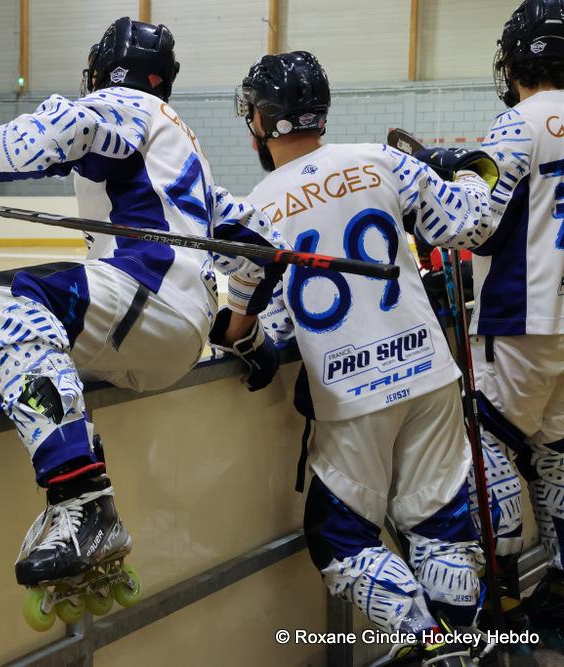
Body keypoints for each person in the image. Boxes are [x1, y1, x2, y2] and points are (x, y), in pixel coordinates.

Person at [0, 17, 282, 629]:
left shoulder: (123, 104)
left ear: (102, 70)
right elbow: (263, 244)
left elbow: (71, 129)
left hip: (143, 291)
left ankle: (82, 500)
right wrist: (244, 330)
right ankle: (62, 503)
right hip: (164, 334)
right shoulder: (184, 153)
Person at [216, 52, 500, 664]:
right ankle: (466, 647)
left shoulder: (255, 207)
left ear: (262, 121)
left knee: (339, 537)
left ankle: (433, 645)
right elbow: (469, 223)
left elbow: (253, 327)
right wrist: (475, 169)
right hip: (428, 373)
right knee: (439, 522)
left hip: (351, 396)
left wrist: (242, 339)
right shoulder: (381, 159)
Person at [453, 0, 564, 643]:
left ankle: (502, 610)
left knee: (489, 452)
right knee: (556, 458)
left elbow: (476, 227)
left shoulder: (516, 125)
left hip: (522, 317)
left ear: (515, 61)